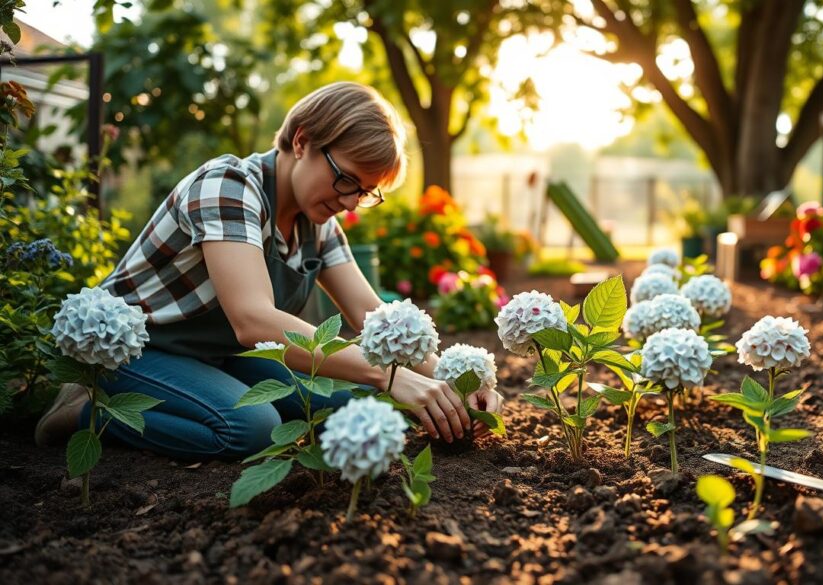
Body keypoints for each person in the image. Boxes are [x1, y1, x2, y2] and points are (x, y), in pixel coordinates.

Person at [35, 82, 503, 458]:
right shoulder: (229, 186)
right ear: (303, 141)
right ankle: (86, 409)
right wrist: (388, 375)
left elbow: (372, 317)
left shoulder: (315, 221)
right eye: (345, 181)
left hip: (213, 357)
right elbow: (252, 320)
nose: (348, 202)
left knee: (352, 402)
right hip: (140, 351)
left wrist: (451, 381)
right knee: (252, 427)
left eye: (364, 193)